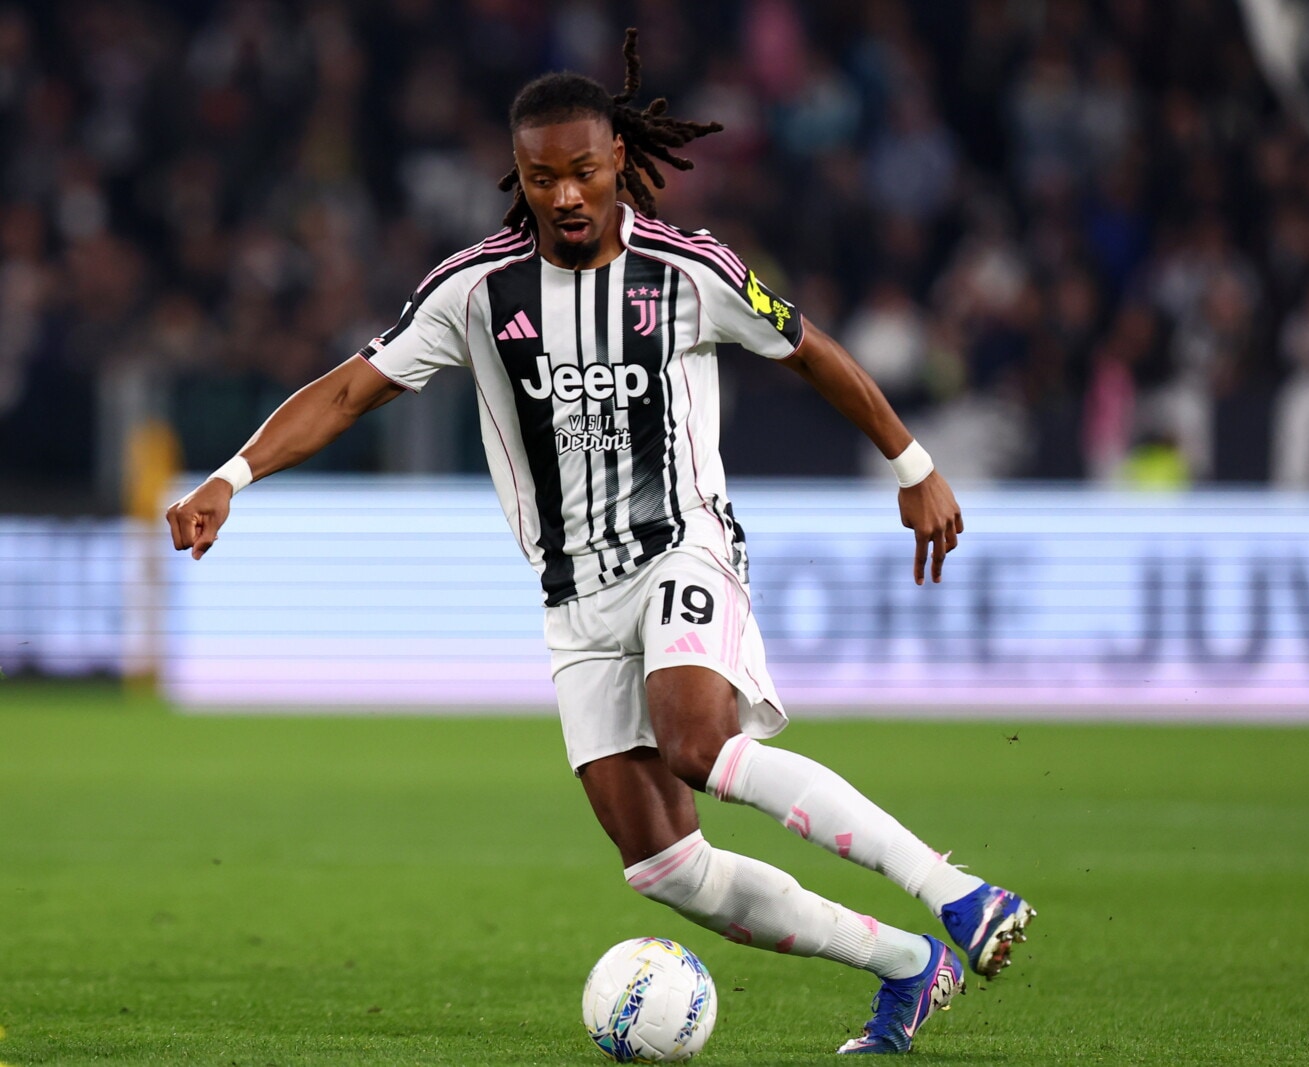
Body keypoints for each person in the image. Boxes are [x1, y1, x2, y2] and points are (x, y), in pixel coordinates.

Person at [165, 30, 1033, 1056]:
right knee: (666, 867)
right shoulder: (474, 292)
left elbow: (808, 351)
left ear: (618, 158)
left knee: (698, 745)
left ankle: (955, 891)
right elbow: (351, 390)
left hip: (682, 548)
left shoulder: (688, 270)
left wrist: (913, 462)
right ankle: (905, 963)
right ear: (518, 175)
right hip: (573, 597)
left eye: (582, 170)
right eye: (543, 178)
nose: (565, 195)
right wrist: (230, 475)